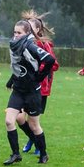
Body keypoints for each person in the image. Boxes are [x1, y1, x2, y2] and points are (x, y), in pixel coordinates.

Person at [3, 20, 56, 166]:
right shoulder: (14, 45)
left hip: (32, 93)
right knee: (9, 121)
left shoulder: (30, 46)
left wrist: (40, 76)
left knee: (34, 125)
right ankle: (15, 154)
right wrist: (12, 80)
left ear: (27, 33)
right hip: (18, 91)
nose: (16, 35)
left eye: (19, 33)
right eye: (14, 32)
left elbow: (50, 60)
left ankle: (44, 154)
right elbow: (19, 67)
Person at [21, 12, 57, 154]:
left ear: (38, 30)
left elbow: (54, 64)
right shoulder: (23, 43)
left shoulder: (44, 45)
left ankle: (36, 144)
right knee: (19, 117)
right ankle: (33, 139)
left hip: (41, 88)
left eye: (31, 27)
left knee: (33, 120)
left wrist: (38, 71)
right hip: (25, 87)